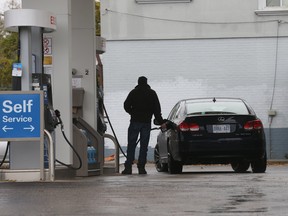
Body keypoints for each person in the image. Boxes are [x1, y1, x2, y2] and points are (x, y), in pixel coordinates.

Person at [122, 76, 166, 175]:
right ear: (147, 83)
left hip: (135, 122)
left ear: (138, 82)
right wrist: (161, 122)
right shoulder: (152, 93)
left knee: (131, 144)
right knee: (144, 146)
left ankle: (128, 167)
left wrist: (132, 113)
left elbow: (126, 105)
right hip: (146, 123)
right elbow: (157, 110)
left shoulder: (133, 92)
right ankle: (141, 168)